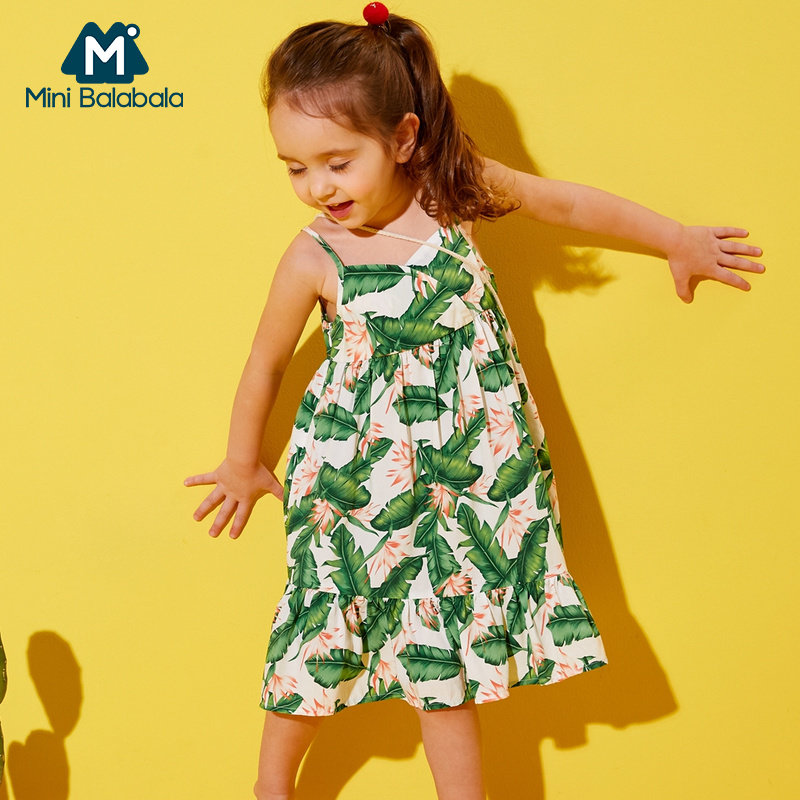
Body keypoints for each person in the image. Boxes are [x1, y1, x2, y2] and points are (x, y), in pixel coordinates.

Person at [185, 5, 764, 799]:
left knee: (447, 658)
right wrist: (242, 460)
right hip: (357, 489)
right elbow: (265, 362)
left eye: (337, 163)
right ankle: (270, 789)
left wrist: (675, 239)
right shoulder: (313, 256)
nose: (317, 187)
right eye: (294, 168)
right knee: (321, 632)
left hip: (470, 484)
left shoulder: (451, 197)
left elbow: (566, 205)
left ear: (402, 137)